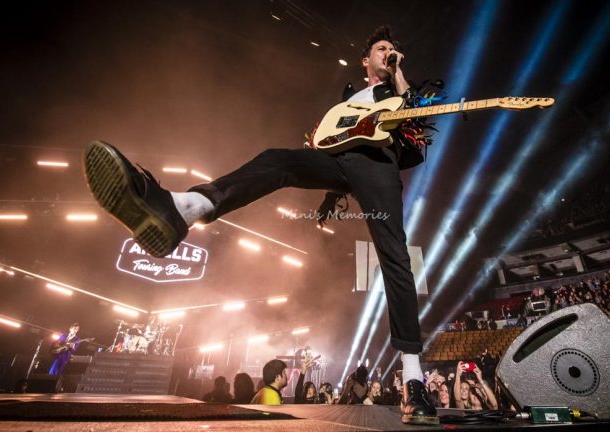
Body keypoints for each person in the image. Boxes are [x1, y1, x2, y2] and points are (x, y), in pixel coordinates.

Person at [84, 26, 437, 424]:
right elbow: (331, 137)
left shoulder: (396, 89)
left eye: (392, 50)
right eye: (381, 48)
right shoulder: (350, 96)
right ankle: (186, 208)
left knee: (394, 254)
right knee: (277, 159)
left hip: (378, 165)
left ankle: (413, 379)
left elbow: (416, 115)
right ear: (365, 59)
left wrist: (399, 72)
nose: (387, 52)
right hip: (340, 162)